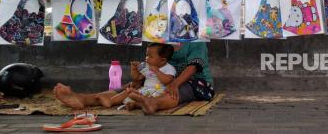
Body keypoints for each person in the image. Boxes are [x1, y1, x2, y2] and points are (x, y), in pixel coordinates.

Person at [53, 42, 215, 115]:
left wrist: (174, 83)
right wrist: (139, 77)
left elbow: (193, 67)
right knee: (130, 87)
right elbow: (151, 62)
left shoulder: (196, 40)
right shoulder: (161, 37)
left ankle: (152, 103)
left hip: (193, 81)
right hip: (158, 80)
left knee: (175, 91)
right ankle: (86, 99)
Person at [97, 43, 176, 109]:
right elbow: (138, 78)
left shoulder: (169, 68)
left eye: (150, 56)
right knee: (129, 92)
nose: (146, 58)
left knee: (149, 100)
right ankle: (111, 101)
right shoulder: (147, 67)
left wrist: (157, 71)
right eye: (146, 55)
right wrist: (134, 69)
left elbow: (167, 80)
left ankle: (135, 104)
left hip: (157, 92)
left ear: (163, 60)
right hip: (145, 90)